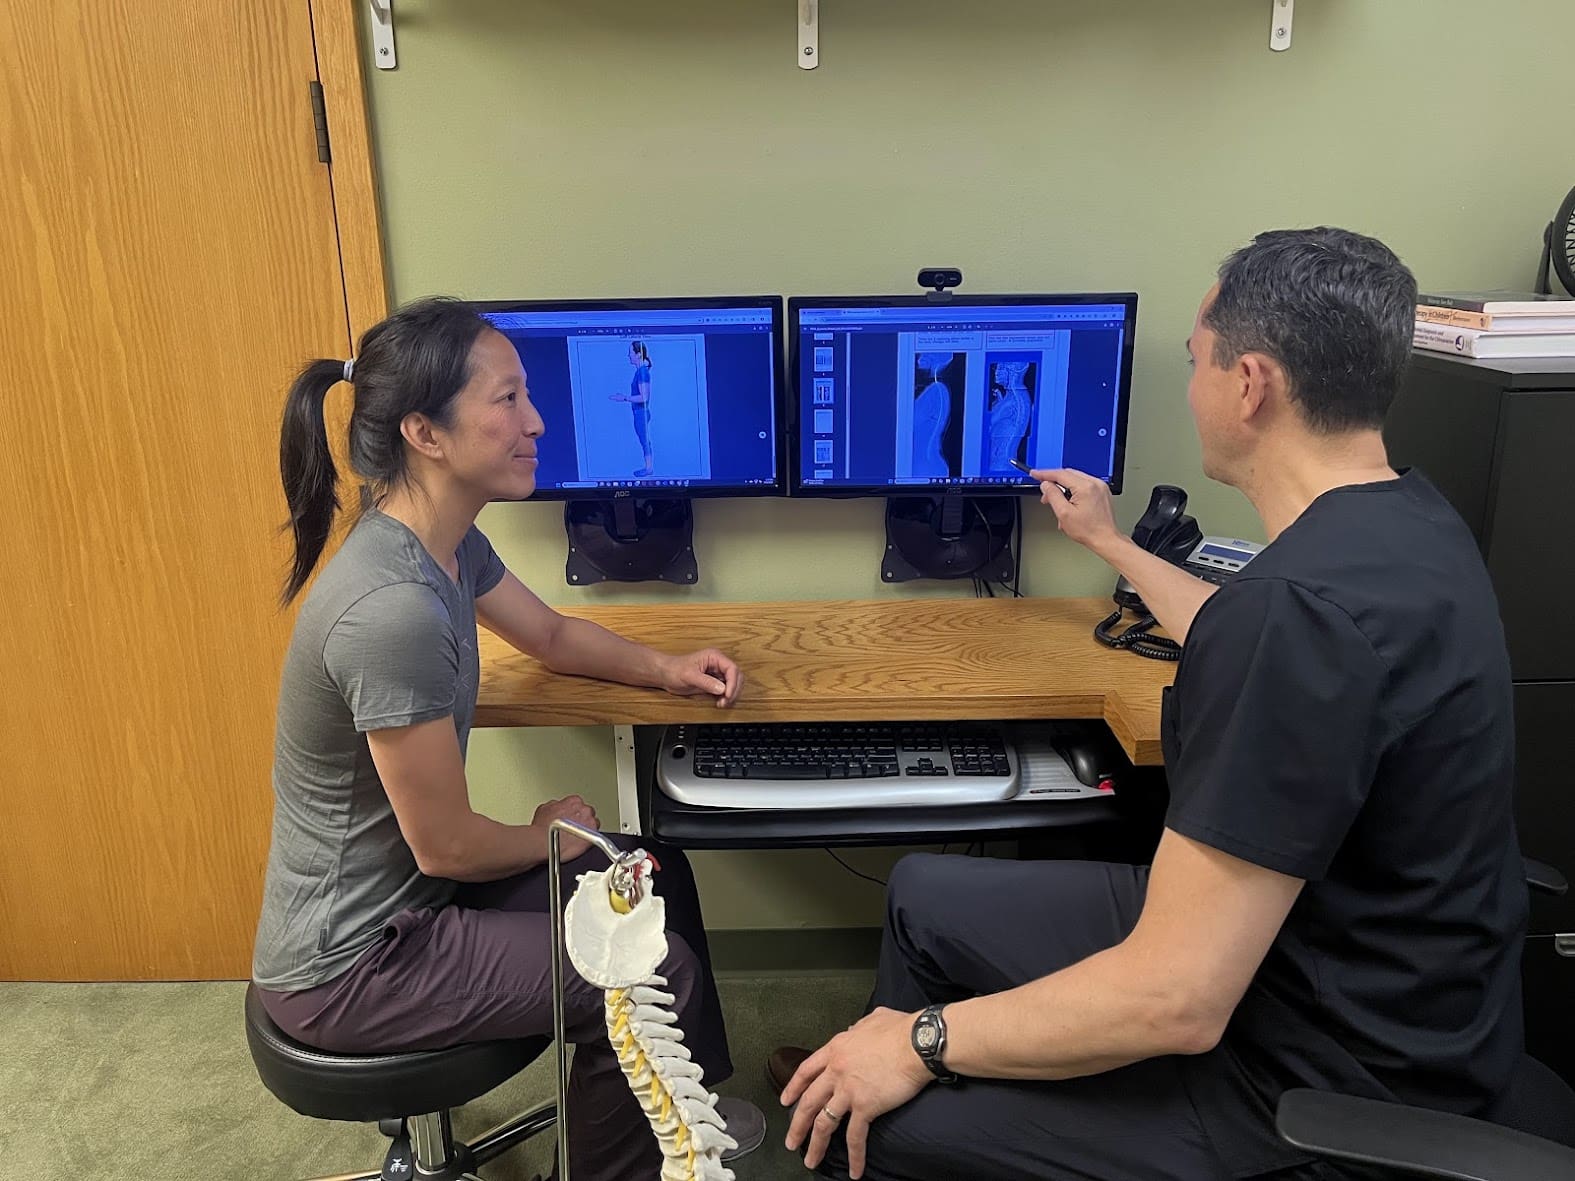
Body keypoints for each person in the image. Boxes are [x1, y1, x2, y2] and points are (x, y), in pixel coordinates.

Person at [776, 228, 1541, 1180]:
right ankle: (908, 1080)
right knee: (923, 894)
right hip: (1350, 966)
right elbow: (1255, 628)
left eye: (1196, 361)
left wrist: (917, 1043)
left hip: (1318, 1080)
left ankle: (894, 1097)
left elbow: (1176, 1003)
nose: (1192, 385)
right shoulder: (1405, 523)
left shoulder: (1295, 612)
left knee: (897, 1123)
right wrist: (1110, 544)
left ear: (1249, 384)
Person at [251, 297, 764, 1181]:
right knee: (645, 974)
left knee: (649, 868)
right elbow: (446, 844)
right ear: (426, 432)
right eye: (508, 399)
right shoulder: (391, 611)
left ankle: (684, 1106)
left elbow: (553, 636)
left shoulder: (445, 545)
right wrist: (547, 834)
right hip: (353, 966)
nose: (535, 421)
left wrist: (666, 668)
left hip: (413, 903)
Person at [609, 338, 654, 477]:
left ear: (638, 354)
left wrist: (624, 398)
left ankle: (649, 468)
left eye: (631, 353)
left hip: (641, 412)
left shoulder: (642, 372)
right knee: (644, 440)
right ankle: (648, 468)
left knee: (644, 440)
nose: (629, 356)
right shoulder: (640, 372)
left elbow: (644, 397)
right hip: (639, 412)